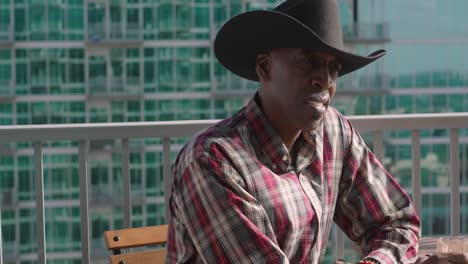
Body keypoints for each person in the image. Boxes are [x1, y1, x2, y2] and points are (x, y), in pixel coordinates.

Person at [166, 0, 465, 263]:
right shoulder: (212, 160)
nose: (325, 81)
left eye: (333, 68)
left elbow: (396, 223)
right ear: (264, 68)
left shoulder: (333, 132)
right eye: (309, 61)